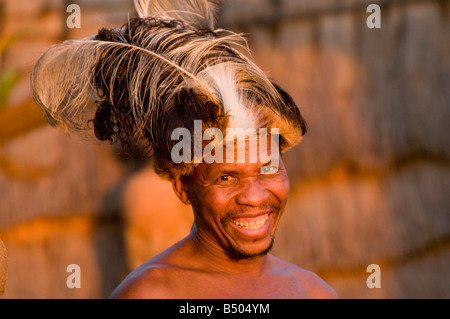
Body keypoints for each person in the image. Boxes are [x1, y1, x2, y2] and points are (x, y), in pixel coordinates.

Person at [31, 0, 337, 298]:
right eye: (226, 178)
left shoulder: (313, 292)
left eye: (268, 168)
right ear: (183, 187)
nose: (254, 196)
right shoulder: (151, 293)